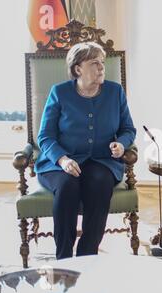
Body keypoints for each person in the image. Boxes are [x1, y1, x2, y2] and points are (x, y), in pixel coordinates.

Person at [35, 42, 136, 259]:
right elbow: (44, 136)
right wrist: (62, 160)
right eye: (94, 63)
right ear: (78, 69)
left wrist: (122, 144)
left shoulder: (114, 92)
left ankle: (87, 255)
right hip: (60, 161)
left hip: (101, 160)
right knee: (67, 185)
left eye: (102, 63)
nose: (101, 68)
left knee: (100, 183)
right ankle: (63, 257)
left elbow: (128, 129)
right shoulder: (59, 93)